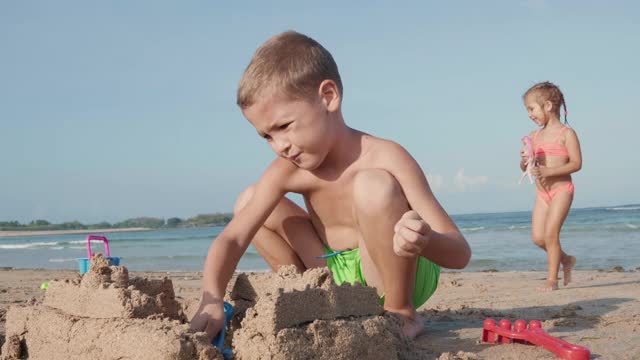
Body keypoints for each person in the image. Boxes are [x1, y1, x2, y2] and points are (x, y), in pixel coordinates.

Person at [190, 30, 471, 340]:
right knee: (249, 200)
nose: (279, 145)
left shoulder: (385, 155)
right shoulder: (287, 170)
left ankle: (401, 312)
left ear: (328, 97)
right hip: (331, 272)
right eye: (267, 136)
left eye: (284, 126)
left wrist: (424, 240)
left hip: (396, 270)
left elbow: (459, 253)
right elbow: (232, 238)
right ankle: (309, 298)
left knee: (372, 185)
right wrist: (211, 298)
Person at [520, 81, 582, 291]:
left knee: (551, 234)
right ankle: (566, 260)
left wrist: (549, 171)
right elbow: (525, 168)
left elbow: (576, 163)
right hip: (542, 192)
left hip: (562, 190)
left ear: (547, 106)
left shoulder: (567, 134)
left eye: (531, 109)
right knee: (538, 237)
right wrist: (524, 160)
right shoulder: (533, 136)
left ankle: (552, 280)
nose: (529, 114)